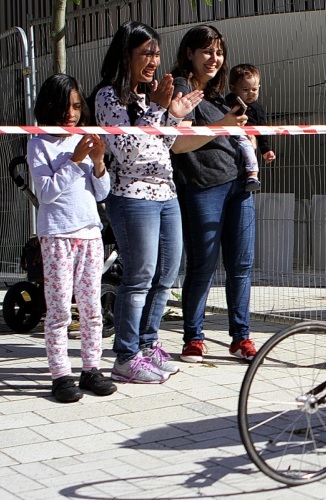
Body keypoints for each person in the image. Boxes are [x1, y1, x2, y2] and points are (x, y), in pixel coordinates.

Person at [93, 21, 203, 383]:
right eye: (146, 54)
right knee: (139, 278)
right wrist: (159, 111)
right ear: (126, 56)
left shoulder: (148, 95)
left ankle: (147, 343)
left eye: (156, 53)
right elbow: (125, 153)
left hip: (166, 193)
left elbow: (162, 145)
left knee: (166, 275)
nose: (154, 60)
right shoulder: (109, 96)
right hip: (132, 197)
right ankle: (125, 356)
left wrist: (173, 115)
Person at [169, 25, 259, 363]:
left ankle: (242, 337)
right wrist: (224, 124)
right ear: (189, 52)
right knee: (202, 266)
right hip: (203, 186)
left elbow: (230, 132)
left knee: (241, 266)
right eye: (207, 51)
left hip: (239, 186)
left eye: (219, 52)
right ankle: (193, 338)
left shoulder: (217, 95)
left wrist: (245, 137)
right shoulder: (181, 88)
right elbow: (179, 143)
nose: (214, 58)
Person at [28, 74, 117, 402]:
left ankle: (91, 368)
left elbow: (102, 191)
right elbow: (47, 192)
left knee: (92, 307)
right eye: (65, 106)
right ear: (49, 105)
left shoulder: (85, 137)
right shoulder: (39, 142)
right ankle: (60, 374)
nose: (72, 113)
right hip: (56, 236)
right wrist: (75, 159)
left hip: (90, 234)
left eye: (77, 106)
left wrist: (97, 163)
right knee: (60, 309)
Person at [226, 64, 277, 192]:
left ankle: (253, 175)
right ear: (233, 88)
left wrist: (266, 150)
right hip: (227, 135)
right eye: (245, 90)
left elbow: (262, 130)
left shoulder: (257, 109)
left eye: (254, 90)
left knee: (247, 146)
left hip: (245, 138)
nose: (250, 93)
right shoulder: (227, 102)